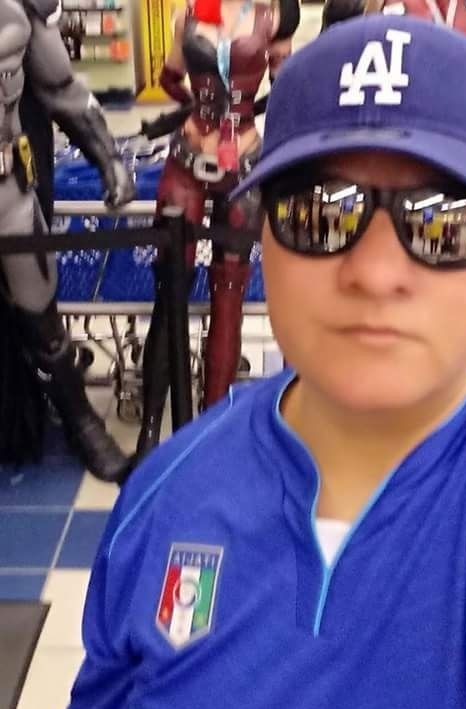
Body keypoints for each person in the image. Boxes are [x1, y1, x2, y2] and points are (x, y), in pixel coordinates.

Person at [66, 16, 466, 709]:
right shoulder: (163, 498)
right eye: (320, 214)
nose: (377, 275)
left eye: (444, 221)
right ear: (262, 234)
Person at [320, 0, 466, 344]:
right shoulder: (359, 4)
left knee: (462, 335)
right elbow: (324, 101)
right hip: (375, 194)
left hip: (465, 194)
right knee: (364, 326)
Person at [135, 0, 300, 462]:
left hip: (243, 164)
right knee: (170, 290)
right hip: (188, 158)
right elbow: (170, 76)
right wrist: (196, 107)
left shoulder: (276, 15)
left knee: (229, 296)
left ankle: (212, 429)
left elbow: (285, 89)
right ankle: (151, 429)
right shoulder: (189, 12)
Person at [0, 0, 135, 482]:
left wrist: (108, 158)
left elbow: (62, 88)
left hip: (5, 192)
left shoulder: (18, 9)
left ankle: (81, 423)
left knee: (40, 315)